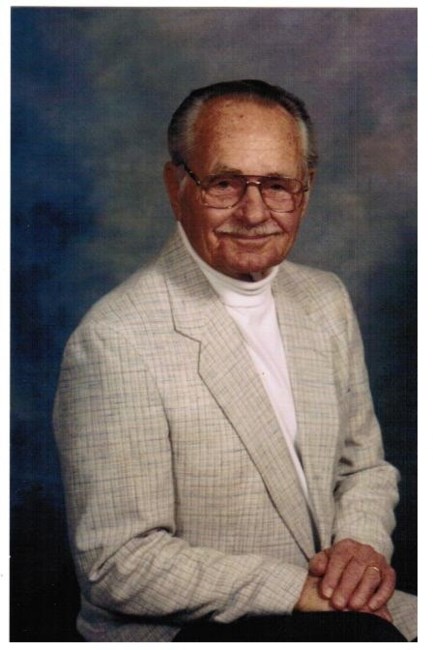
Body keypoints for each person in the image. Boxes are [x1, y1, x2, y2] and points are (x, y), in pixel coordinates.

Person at [53, 79, 417, 642]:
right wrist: (303, 592)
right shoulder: (114, 340)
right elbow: (117, 562)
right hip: (189, 626)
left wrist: (358, 549)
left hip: (335, 601)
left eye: (277, 185)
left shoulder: (325, 299)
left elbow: (362, 469)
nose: (254, 212)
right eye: (224, 183)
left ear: (305, 191)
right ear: (176, 187)